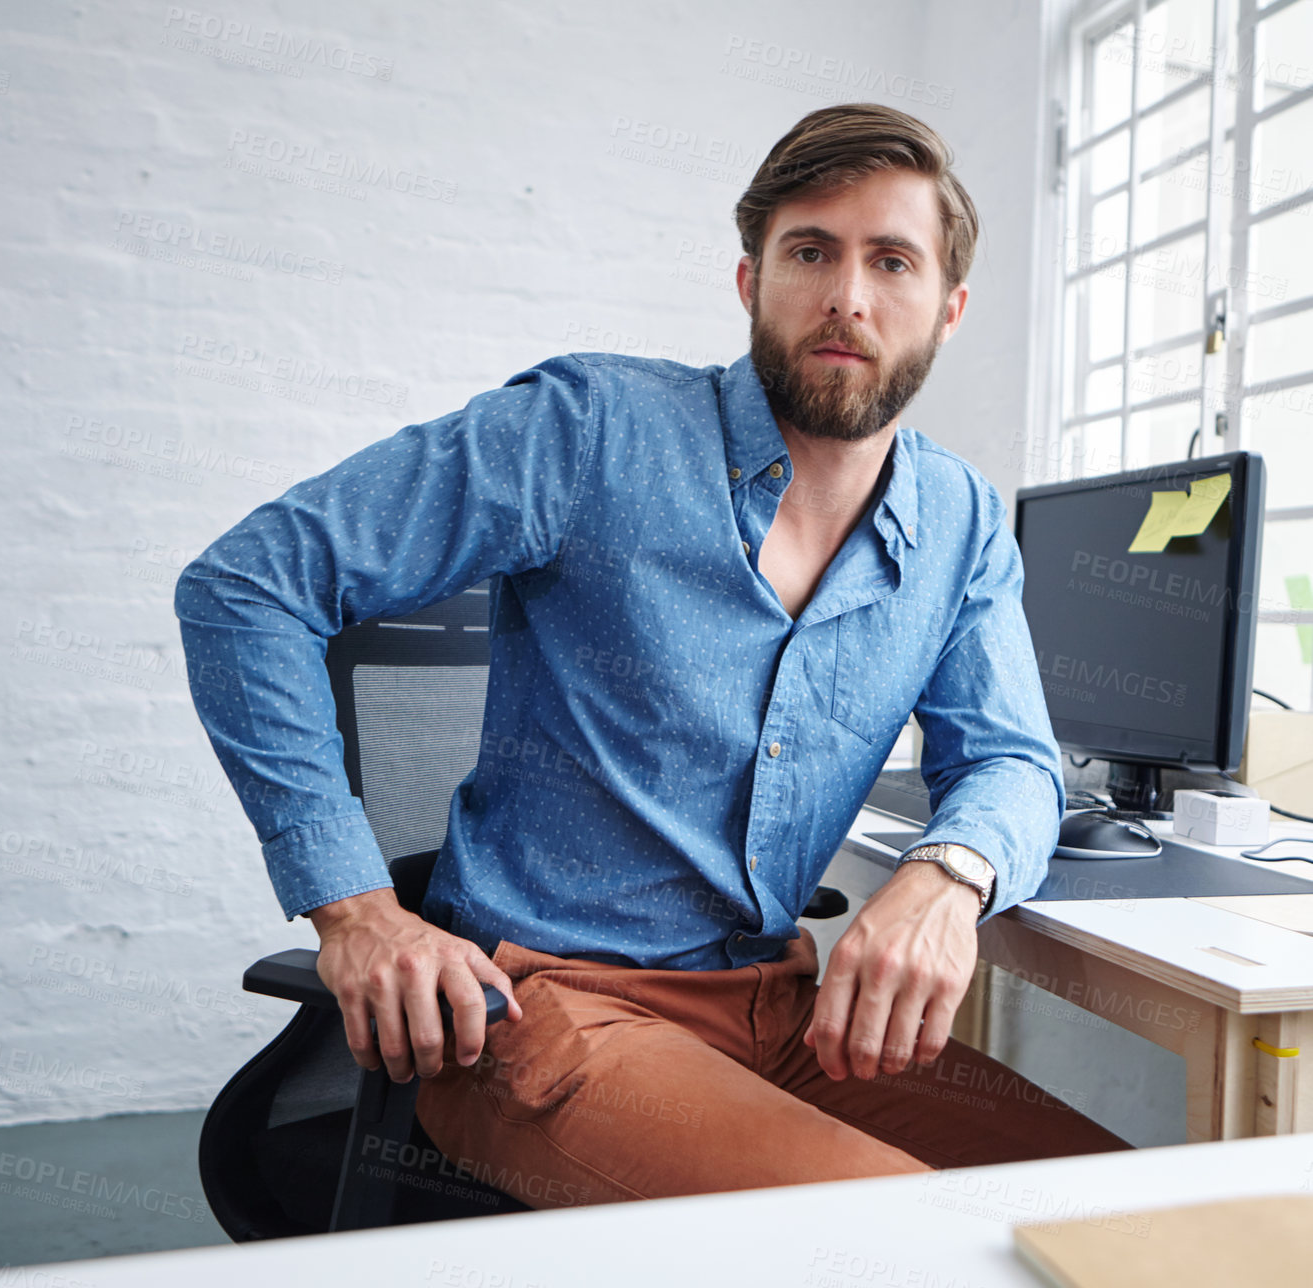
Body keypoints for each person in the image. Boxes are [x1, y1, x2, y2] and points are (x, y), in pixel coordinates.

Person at [175, 101, 1129, 1209]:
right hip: (548, 1008)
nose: (848, 296)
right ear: (749, 282)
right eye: (809, 251)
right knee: (902, 1241)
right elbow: (246, 584)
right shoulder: (589, 430)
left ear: (948, 309)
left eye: (893, 261)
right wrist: (355, 908)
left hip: (784, 1012)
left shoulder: (959, 521)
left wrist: (946, 878)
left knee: (1148, 1215)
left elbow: (1016, 759)